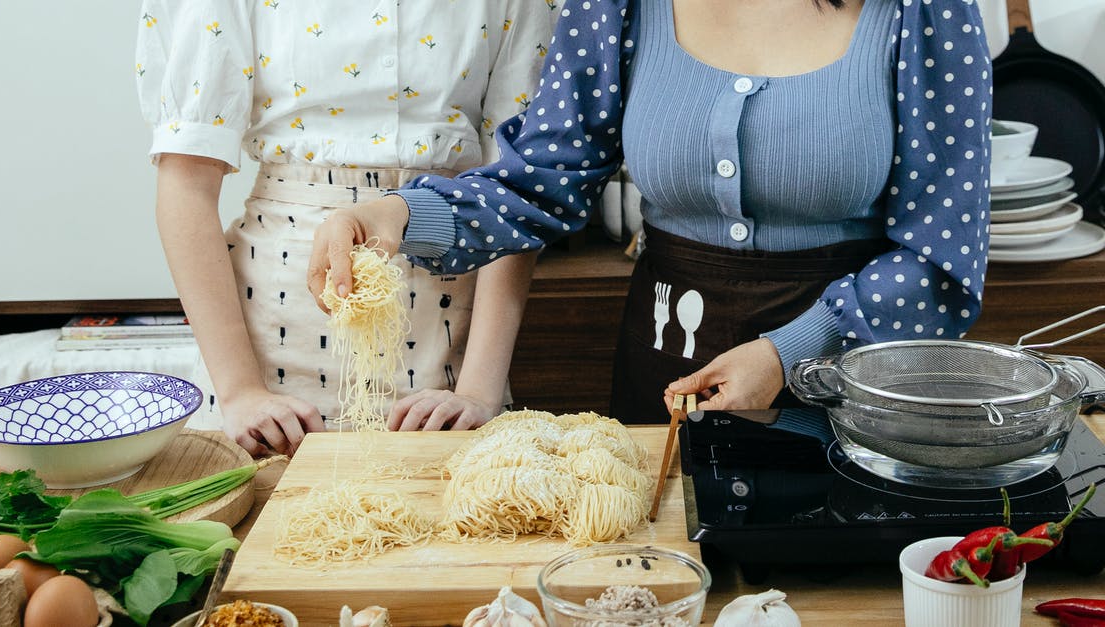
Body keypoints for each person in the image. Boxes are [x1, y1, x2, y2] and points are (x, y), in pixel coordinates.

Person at [305, 0, 993, 423]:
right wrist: (400, 214)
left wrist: (790, 355)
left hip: (855, 405)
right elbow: (543, 179)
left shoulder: (925, 7)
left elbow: (942, 257)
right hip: (659, 385)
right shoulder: (618, 4)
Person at [136, 1, 557, 455]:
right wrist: (241, 391)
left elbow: (513, 187)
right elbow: (187, 185)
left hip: (451, 319)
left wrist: (478, 389)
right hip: (273, 320)